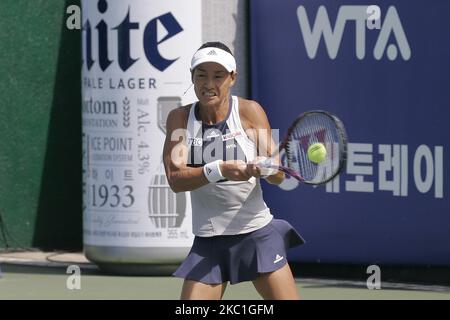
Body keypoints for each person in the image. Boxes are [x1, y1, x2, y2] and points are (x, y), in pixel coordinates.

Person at [163, 41, 304, 300]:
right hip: (209, 241)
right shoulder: (180, 119)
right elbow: (175, 179)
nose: (208, 84)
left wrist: (263, 167)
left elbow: (278, 174)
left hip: (256, 234)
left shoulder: (249, 111)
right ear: (192, 76)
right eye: (201, 75)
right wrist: (220, 169)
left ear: (232, 78)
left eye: (218, 76)